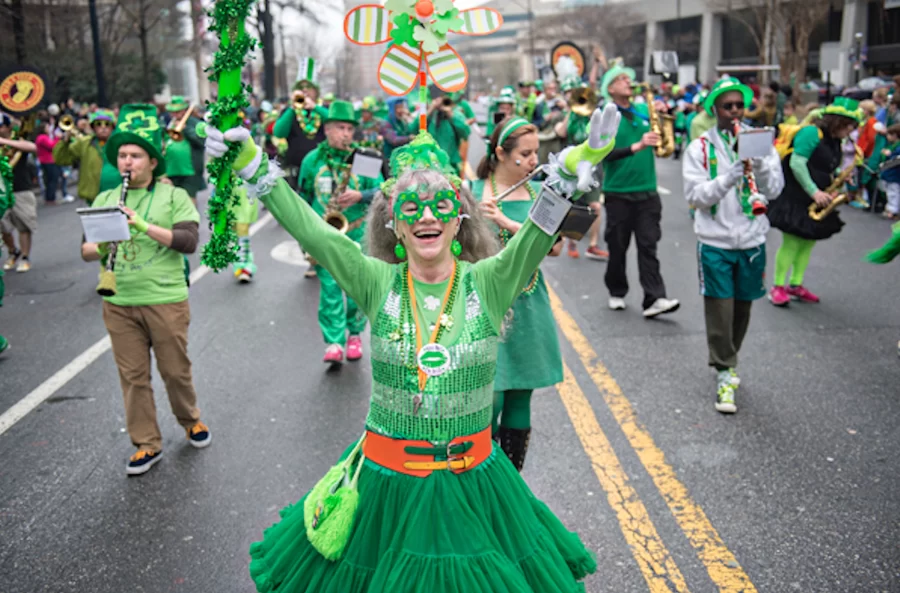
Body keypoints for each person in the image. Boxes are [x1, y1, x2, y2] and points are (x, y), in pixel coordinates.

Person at [204, 101, 619, 593]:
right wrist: (254, 165)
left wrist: (566, 176)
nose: (427, 216)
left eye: (441, 205)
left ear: (460, 220)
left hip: (474, 487)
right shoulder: (375, 280)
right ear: (393, 225)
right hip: (388, 488)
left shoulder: (489, 281)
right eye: (412, 208)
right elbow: (311, 229)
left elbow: (534, 234)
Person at [80, 104, 210, 476]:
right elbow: (86, 250)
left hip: (165, 299)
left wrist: (139, 225)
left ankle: (190, 420)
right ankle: (146, 443)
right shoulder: (106, 200)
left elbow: (187, 241)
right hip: (119, 302)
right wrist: (106, 240)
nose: (127, 162)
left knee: (174, 371)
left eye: (135, 155)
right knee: (133, 378)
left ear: (152, 162)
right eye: (122, 155)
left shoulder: (173, 197)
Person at [683, 78, 785, 414]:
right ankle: (725, 370)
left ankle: (729, 360)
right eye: (727, 107)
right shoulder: (698, 148)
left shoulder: (759, 141)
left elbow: (774, 190)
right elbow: (695, 197)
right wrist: (729, 176)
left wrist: (763, 165)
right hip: (715, 241)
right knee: (720, 310)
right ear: (715, 110)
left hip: (752, 238)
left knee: (743, 308)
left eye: (739, 106)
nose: (734, 112)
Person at [473, 116, 563, 469]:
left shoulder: (541, 193)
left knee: (520, 394)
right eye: (525, 154)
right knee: (488, 396)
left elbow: (552, 248)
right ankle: (482, 477)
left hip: (528, 300)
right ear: (500, 153)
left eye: (535, 153)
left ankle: (511, 485)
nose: (533, 160)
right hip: (483, 304)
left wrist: (508, 223)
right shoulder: (472, 188)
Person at [298, 100, 383, 364]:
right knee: (330, 288)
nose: (346, 133)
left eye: (349, 129)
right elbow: (302, 197)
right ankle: (334, 341)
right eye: (340, 128)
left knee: (356, 289)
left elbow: (382, 192)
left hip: (356, 233)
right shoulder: (312, 160)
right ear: (327, 129)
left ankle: (355, 335)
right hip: (324, 235)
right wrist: (304, 236)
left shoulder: (363, 159)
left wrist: (361, 195)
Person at [600, 62, 680, 318]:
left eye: (628, 78)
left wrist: (664, 117)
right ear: (610, 89)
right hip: (618, 192)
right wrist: (636, 146)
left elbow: (661, 144)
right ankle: (616, 291)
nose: (628, 82)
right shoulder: (605, 115)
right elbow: (602, 153)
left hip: (647, 191)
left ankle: (654, 298)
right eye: (622, 79)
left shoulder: (643, 112)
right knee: (618, 247)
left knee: (648, 246)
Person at [766, 97, 862, 306]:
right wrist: (814, 191)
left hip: (816, 198)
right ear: (837, 121)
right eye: (849, 126)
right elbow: (797, 163)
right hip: (795, 196)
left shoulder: (835, 140)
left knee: (808, 242)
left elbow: (823, 165)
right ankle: (777, 286)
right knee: (791, 242)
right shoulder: (811, 133)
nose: (851, 131)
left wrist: (839, 175)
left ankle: (795, 284)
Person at [273, 71, 328, 190]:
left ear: (316, 91)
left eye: (309, 87)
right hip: (296, 170)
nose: (305, 90)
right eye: (300, 88)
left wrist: (315, 107)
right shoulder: (289, 112)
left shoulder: (323, 109)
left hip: (322, 168)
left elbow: (333, 122)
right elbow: (278, 132)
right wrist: (293, 107)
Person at [52, 109, 119, 203]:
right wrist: (65, 140)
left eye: (107, 124)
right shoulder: (84, 143)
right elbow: (61, 159)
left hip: (118, 196)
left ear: (113, 127)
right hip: (94, 198)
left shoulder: (120, 142)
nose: (103, 127)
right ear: (93, 127)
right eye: (99, 124)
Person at [0, 115, 39, 273]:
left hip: (20, 188)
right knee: (3, 227)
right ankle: (13, 251)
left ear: (8, 127)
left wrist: (4, 142)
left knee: (24, 225)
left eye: (1, 126)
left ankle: (24, 256)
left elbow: (32, 147)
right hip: (2, 191)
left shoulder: (18, 141)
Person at [163, 96, 207, 207]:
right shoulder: (169, 124)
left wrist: (185, 129)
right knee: (174, 203)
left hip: (190, 171)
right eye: (172, 112)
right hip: (172, 170)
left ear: (185, 110)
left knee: (189, 203)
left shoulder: (196, 123)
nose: (174, 115)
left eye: (177, 112)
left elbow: (202, 142)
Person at [427, 95, 470, 176]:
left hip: (451, 164)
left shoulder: (456, 114)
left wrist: (451, 115)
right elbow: (413, 129)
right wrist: (431, 109)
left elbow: (465, 133)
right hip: (431, 164)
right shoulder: (430, 115)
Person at [34, 122, 72, 204]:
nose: (49, 129)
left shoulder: (43, 137)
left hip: (48, 160)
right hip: (48, 161)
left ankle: (51, 197)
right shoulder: (42, 137)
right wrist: (57, 138)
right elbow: (52, 146)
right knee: (52, 180)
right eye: (47, 127)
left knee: (51, 179)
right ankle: (51, 198)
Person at [379, 97, 415, 163]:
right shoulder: (386, 123)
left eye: (402, 107)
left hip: (404, 158)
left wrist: (409, 117)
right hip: (391, 160)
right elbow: (393, 140)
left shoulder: (401, 121)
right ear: (392, 109)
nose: (401, 110)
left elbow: (411, 130)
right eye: (398, 108)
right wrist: (409, 138)